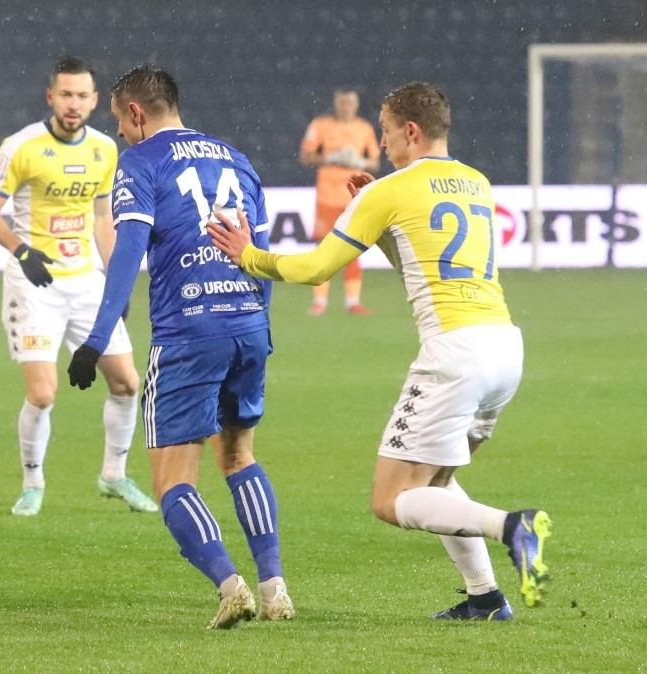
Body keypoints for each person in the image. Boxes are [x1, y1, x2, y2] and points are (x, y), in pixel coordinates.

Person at [209, 81, 552, 620]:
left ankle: (513, 526)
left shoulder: (388, 190)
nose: (384, 144)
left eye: (388, 132)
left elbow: (315, 268)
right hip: (505, 348)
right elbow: (429, 263)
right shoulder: (476, 183)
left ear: (410, 131)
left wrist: (248, 255)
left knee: (391, 499)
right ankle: (486, 597)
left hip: (455, 355)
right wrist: (388, 226)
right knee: (437, 478)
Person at [66, 64, 294, 629]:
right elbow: (259, 252)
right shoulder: (236, 159)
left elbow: (126, 252)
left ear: (137, 114)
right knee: (239, 455)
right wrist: (257, 324)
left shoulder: (139, 162)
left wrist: (97, 340)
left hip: (187, 332)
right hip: (247, 323)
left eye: (119, 120)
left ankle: (230, 584)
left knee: (172, 480)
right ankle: (275, 587)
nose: (119, 132)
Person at [0, 56, 157, 517]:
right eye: (65, 94)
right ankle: (32, 483)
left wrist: (116, 280)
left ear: (95, 101)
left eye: (82, 96)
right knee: (43, 393)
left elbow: (102, 218)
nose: (73, 103)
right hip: (33, 282)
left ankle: (113, 476)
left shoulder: (103, 148)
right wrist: (21, 250)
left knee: (126, 381)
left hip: (86, 283)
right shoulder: (22, 146)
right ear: (50, 97)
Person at [299, 89, 381, 316]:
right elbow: (305, 156)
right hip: (327, 196)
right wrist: (330, 158)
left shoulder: (364, 128)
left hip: (353, 197)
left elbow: (374, 162)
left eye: (350, 102)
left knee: (353, 248)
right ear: (336, 104)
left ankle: (353, 302)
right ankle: (320, 302)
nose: (346, 106)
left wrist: (360, 161)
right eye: (342, 102)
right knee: (325, 248)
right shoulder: (321, 125)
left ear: (355, 105)